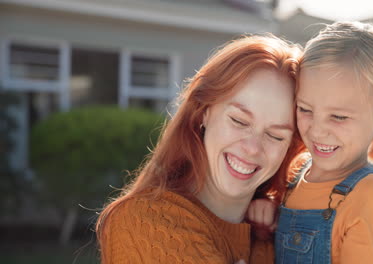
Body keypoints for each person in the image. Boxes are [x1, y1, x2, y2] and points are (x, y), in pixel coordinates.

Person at [95, 34, 306, 264]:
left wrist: (270, 229)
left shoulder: (281, 233)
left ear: (290, 146)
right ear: (204, 111)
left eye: (275, 136)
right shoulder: (144, 220)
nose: (253, 148)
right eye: (239, 121)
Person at [248, 21, 373, 263]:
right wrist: (266, 221)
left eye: (339, 116)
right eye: (305, 109)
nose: (317, 130)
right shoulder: (293, 171)